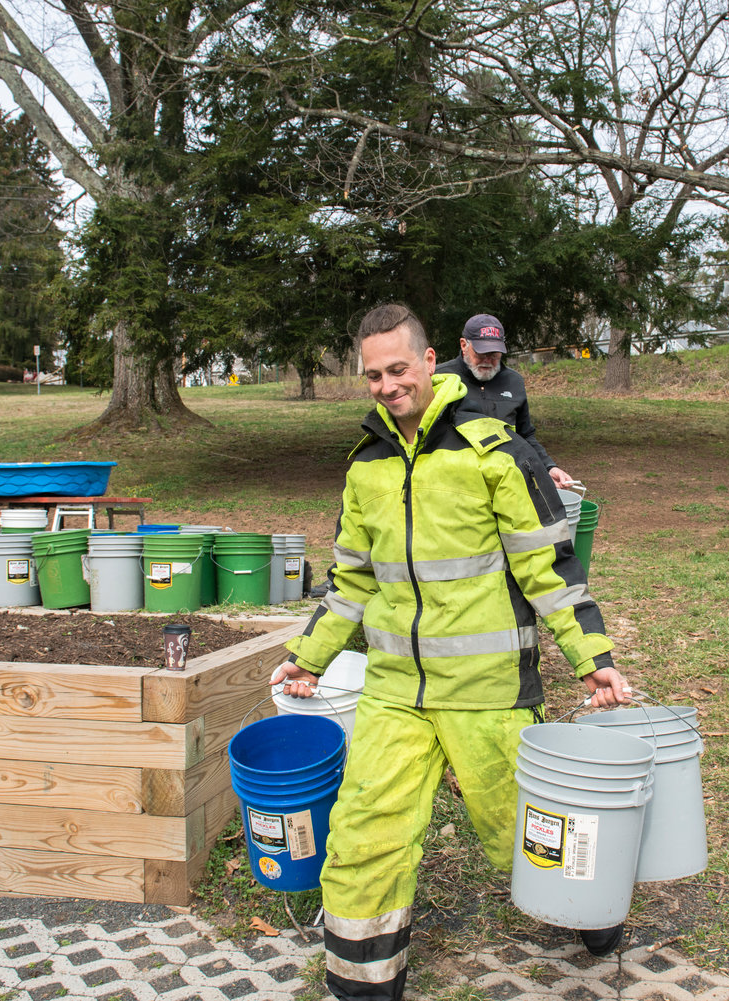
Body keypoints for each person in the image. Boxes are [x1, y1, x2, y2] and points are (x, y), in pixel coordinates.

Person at [270, 303, 629, 1001]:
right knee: (364, 833)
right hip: (394, 693)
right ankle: (362, 982)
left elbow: (548, 569)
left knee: (524, 832)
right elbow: (349, 581)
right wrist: (308, 656)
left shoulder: (496, 449)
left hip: (488, 693)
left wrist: (593, 656)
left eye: (398, 368)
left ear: (432, 361)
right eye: (372, 374)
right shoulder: (366, 465)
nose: (386, 384)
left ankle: (595, 911)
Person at [436, 313, 576, 489]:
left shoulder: (514, 381)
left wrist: (549, 467)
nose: (488, 360)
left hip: (505, 481)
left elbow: (525, 435)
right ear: (464, 345)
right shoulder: (439, 378)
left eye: (494, 354)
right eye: (481, 353)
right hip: (455, 483)